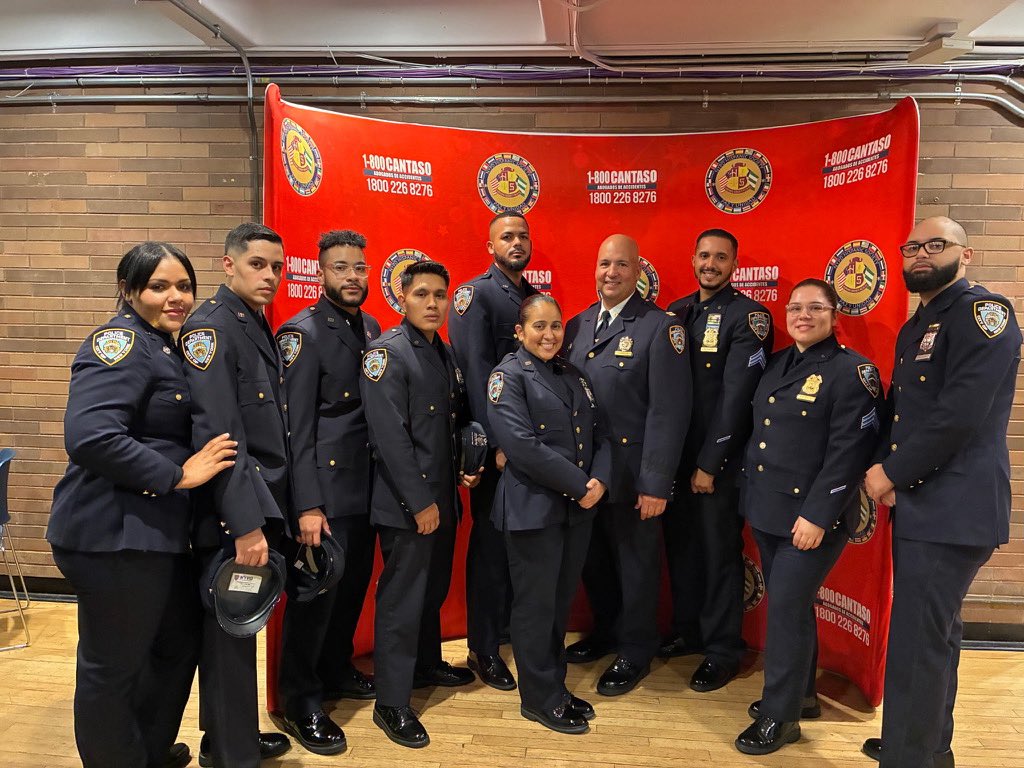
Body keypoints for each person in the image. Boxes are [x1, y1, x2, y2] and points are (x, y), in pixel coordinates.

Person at [47, 241, 236, 768]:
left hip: (156, 534)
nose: (175, 297)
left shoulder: (163, 345)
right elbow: (89, 436)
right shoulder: (119, 342)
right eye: (158, 286)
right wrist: (179, 474)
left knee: (175, 649)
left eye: (183, 286)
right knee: (114, 669)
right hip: (113, 535)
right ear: (129, 291)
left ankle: (146, 752)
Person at [862, 216, 1022, 768]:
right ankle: (928, 748)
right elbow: (905, 412)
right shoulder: (921, 322)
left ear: (966, 254)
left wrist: (891, 474)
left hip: (952, 505)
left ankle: (908, 756)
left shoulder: (983, 314)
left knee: (915, 646)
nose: (921, 255)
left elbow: (959, 416)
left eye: (936, 244)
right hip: (926, 505)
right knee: (935, 638)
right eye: (912, 246)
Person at [733, 278, 884, 755]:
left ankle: (780, 719)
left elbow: (848, 454)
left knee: (785, 612)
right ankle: (801, 696)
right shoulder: (778, 363)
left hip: (812, 519)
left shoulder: (853, 372)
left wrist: (818, 515)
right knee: (791, 608)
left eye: (815, 308)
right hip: (769, 509)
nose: (803, 315)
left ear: (835, 316)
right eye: (795, 307)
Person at [181, 223, 294, 768]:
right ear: (228, 265)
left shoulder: (249, 321)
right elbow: (219, 437)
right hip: (234, 513)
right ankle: (232, 755)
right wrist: (245, 525)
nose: (270, 275)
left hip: (258, 501)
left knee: (238, 628)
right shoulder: (213, 328)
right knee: (229, 634)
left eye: (277, 266)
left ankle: (231, 737)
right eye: (257, 264)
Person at [360, 260, 483, 748]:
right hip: (407, 506)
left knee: (431, 592)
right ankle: (391, 704)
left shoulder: (444, 352)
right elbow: (390, 439)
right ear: (402, 298)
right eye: (422, 295)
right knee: (401, 602)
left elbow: (448, 424)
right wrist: (420, 503)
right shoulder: (387, 354)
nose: (433, 304)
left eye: (440, 295)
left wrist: (466, 461)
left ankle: (427, 665)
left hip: (443, 499)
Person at [563, 234, 691, 696]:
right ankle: (606, 632)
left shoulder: (660, 328)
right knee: (594, 562)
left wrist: (656, 482)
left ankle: (636, 649)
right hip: (586, 475)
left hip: (634, 475)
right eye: (603, 264)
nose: (610, 273)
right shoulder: (576, 326)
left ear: (638, 271)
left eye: (621, 265)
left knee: (636, 566)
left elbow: (669, 411)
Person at [275, 230, 381, 755]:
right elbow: (294, 428)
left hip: (364, 487)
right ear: (320, 274)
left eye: (360, 268)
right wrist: (307, 504)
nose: (353, 277)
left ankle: (336, 668)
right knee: (314, 597)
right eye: (341, 268)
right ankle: (299, 700)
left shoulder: (373, 327)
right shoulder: (303, 333)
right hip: (325, 490)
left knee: (352, 587)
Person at [487, 294, 612, 734]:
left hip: (575, 512)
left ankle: (554, 687)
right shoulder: (507, 376)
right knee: (535, 608)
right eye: (539, 326)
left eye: (556, 326)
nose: (550, 334)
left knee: (559, 605)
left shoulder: (572, 373)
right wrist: (582, 486)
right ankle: (538, 699)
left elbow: (600, 434)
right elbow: (522, 447)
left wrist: (600, 482)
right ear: (520, 332)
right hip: (532, 510)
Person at [662, 228, 774, 693]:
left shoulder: (749, 317)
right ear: (693, 257)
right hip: (674, 462)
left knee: (718, 557)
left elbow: (736, 398)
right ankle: (690, 632)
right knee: (683, 552)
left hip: (718, 465)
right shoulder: (678, 312)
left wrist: (709, 463)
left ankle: (723, 650)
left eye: (720, 257)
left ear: (735, 263)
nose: (710, 263)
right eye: (704, 254)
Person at [448, 212, 538, 692]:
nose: (517, 242)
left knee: (512, 551)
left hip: (525, 448)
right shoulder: (475, 295)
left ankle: (501, 635)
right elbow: (477, 375)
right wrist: (498, 446)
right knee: (489, 551)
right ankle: (483, 648)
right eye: (507, 236)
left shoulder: (528, 297)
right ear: (490, 246)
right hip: (498, 450)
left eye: (523, 235)